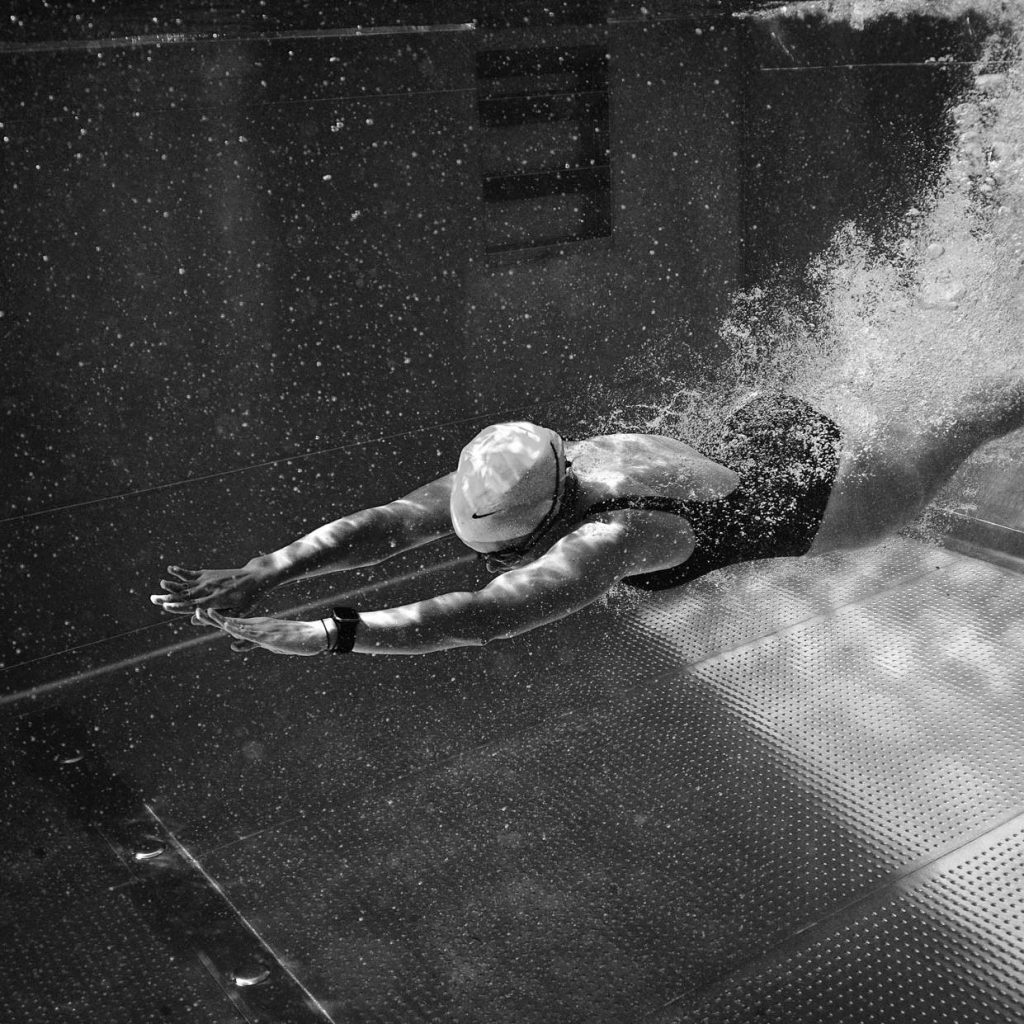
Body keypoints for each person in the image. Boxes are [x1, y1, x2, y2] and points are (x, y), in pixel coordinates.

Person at [150, 382, 1024, 657]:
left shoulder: (617, 535)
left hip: (829, 502)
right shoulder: (530, 464)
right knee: (937, 409)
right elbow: (390, 523)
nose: (489, 556)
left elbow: (485, 615)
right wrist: (271, 567)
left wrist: (324, 637)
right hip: (766, 432)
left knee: (972, 421)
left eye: (506, 549)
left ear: (542, 526)